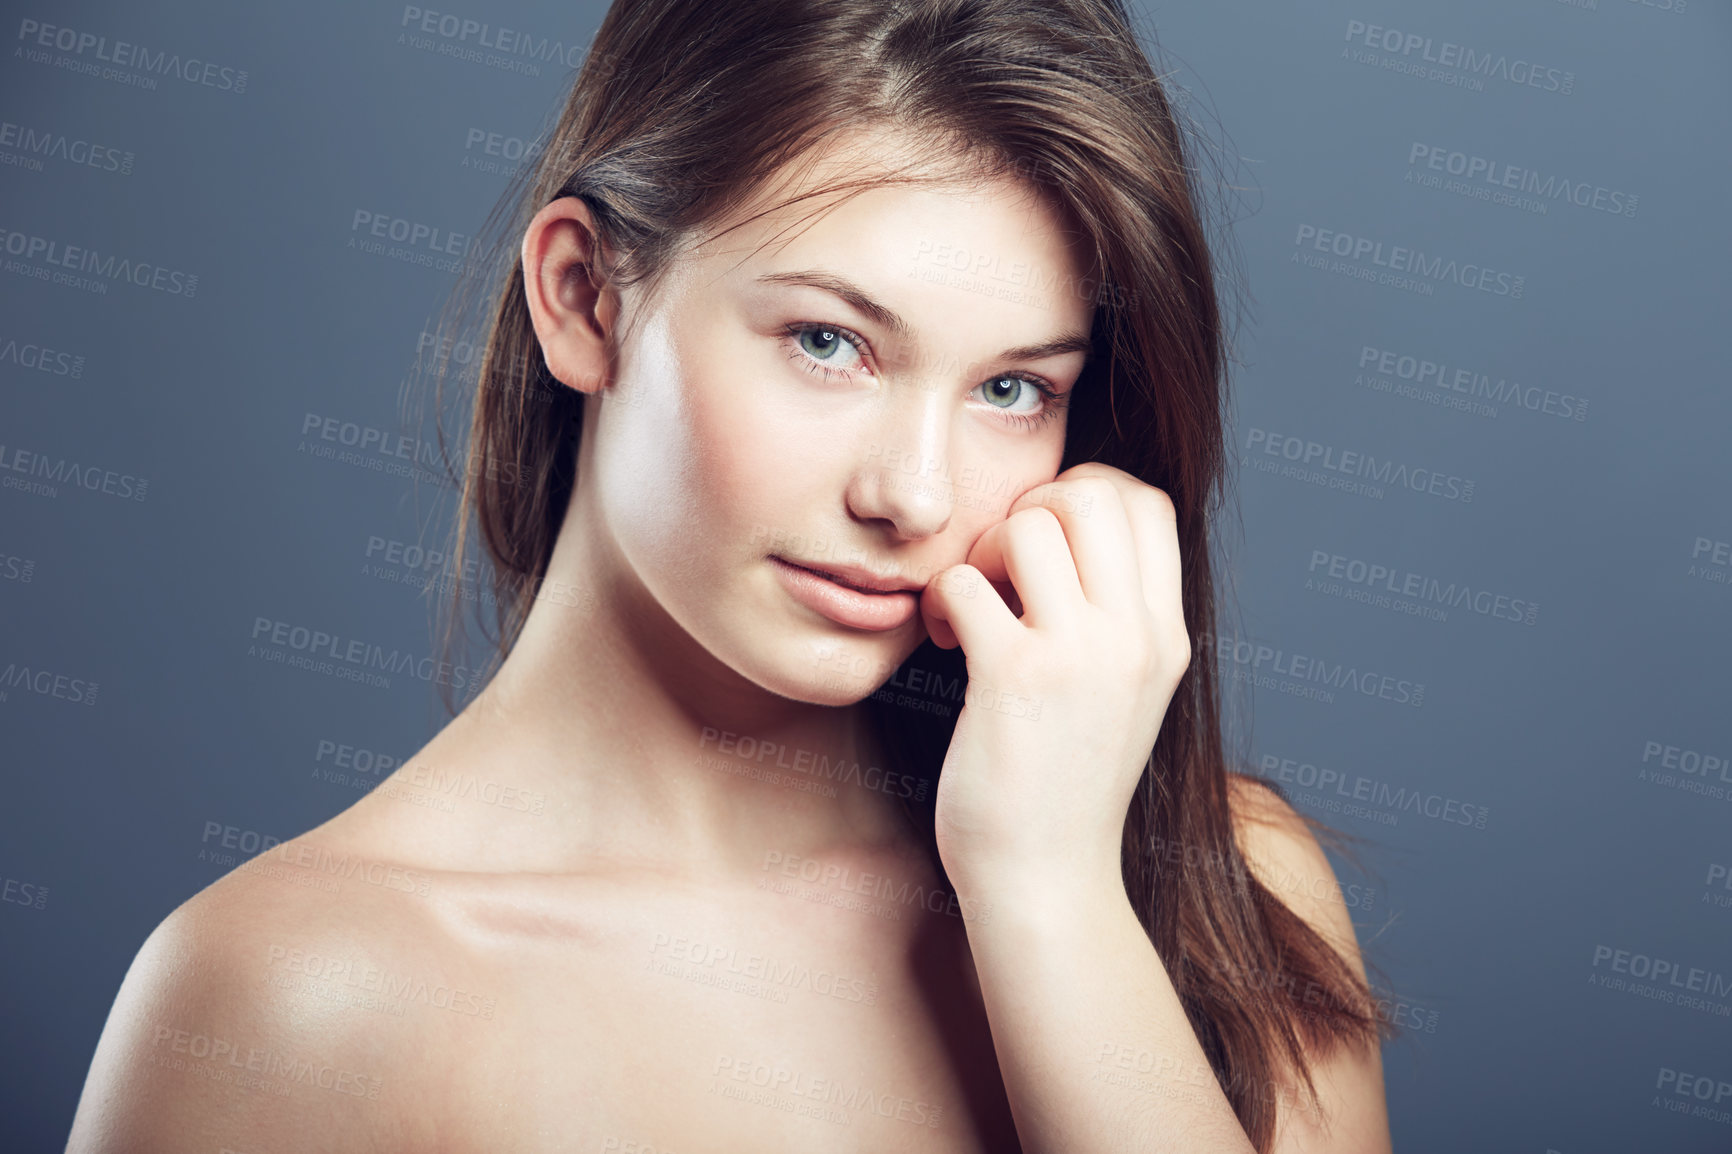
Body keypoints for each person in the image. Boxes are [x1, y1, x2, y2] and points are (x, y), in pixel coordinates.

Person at [66, 1, 1394, 1149]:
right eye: (827, 341)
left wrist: (1048, 891)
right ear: (586, 297)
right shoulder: (286, 1003)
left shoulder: (1222, 893)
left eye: (1010, 387)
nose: (915, 496)